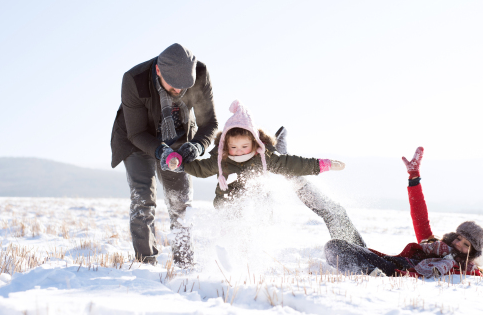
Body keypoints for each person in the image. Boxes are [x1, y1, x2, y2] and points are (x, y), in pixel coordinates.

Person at [164, 100, 366, 246]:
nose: (239, 151)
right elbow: (199, 169)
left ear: (254, 142)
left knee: (256, 214)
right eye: (234, 147)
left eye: (244, 146)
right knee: (233, 228)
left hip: (257, 203)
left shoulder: (265, 157)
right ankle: (229, 253)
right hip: (227, 206)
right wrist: (180, 164)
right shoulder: (221, 160)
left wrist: (322, 165)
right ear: (226, 146)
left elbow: (293, 164)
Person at [110, 43, 218, 268]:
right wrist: (160, 151)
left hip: (178, 137)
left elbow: (210, 123)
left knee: (180, 202)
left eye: (184, 86)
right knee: (143, 198)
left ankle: (184, 265)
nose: (180, 91)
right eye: (174, 85)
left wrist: (197, 146)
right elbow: (137, 132)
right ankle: (145, 263)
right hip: (137, 141)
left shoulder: (199, 74)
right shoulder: (134, 79)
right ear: (158, 71)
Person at [323, 147, 483, 277]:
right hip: (387, 261)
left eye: (466, 245)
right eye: (459, 238)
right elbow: (420, 217)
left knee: (335, 246)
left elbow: (476, 274)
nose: (458, 243)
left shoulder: (461, 268)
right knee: (338, 224)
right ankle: (304, 188)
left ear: (473, 254)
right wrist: (414, 177)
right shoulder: (434, 246)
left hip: (392, 270)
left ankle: (371, 274)